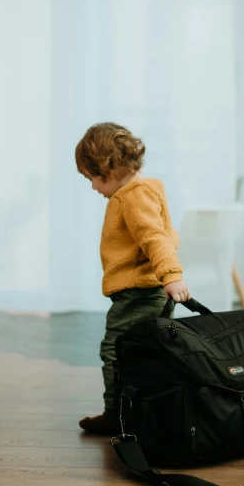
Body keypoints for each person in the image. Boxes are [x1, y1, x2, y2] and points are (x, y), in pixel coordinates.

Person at [75, 122, 190, 434]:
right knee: (148, 353)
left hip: (138, 294)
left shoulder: (132, 197)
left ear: (106, 168)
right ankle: (148, 414)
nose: (93, 188)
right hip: (149, 291)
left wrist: (171, 275)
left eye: (92, 178)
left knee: (115, 351)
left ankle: (118, 414)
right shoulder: (148, 191)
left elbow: (156, 238)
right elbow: (167, 233)